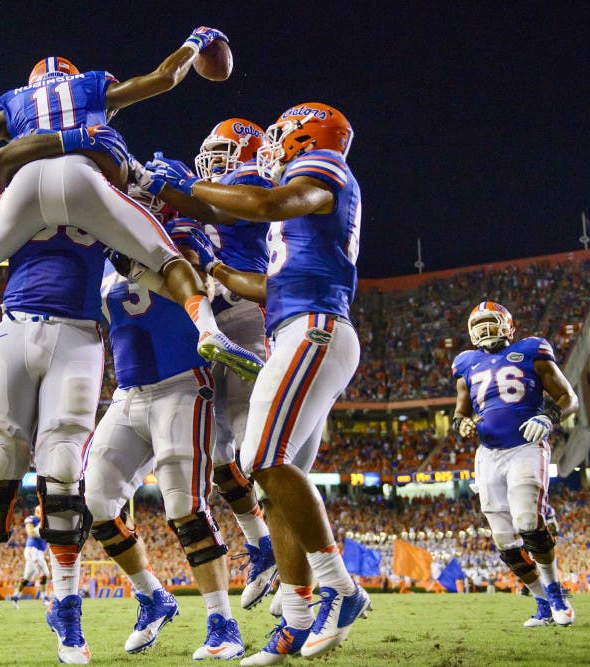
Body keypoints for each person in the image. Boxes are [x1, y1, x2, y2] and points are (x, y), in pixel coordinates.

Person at [0, 26, 263, 402]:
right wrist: (195, 41)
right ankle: (209, 331)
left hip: (23, 186)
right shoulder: (91, 89)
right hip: (84, 180)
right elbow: (163, 79)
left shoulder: (14, 104)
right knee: (167, 258)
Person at [147, 102, 371, 664]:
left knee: (261, 458)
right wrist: (218, 273)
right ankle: (295, 620)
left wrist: (195, 188)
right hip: (296, 323)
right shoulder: (299, 217)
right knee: (276, 484)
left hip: (315, 329)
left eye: (278, 136)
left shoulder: (324, 166)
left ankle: (339, 587)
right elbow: (271, 288)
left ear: (304, 137)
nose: (271, 145)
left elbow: (268, 201)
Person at [84, 247, 245, 660]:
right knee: (97, 500)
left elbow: (199, 281)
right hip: (128, 392)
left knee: (184, 506)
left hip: (183, 382)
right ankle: (153, 597)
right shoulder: (102, 255)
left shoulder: (172, 240)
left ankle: (222, 622)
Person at [148, 118, 278, 608]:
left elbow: (215, 212)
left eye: (222, 150)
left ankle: (303, 559)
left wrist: (176, 186)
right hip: (208, 319)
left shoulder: (250, 185)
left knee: (251, 441)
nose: (212, 159)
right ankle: (263, 544)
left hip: (243, 312)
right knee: (221, 449)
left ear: (246, 151)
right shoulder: (206, 196)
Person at [451, 301, 579, 627]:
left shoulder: (532, 349)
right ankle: (541, 603)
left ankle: (555, 590)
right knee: (504, 540)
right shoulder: (466, 362)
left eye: (489, 322)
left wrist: (549, 417)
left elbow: (569, 398)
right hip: (488, 454)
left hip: (526, 445)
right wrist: (461, 424)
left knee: (527, 519)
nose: (483, 329)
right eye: (477, 324)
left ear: (508, 325)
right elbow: (460, 412)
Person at [10, 513, 50, 608]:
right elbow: (31, 533)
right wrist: (42, 529)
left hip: (39, 551)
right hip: (33, 550)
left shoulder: (47, 523)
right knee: (44, 573)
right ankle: (44, 598)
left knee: (27, 577)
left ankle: (15, 597)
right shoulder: (33, 519)